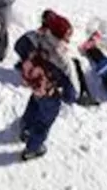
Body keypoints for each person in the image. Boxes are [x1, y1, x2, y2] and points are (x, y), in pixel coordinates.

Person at [14, 11, 78, 160]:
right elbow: (72, 94)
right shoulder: (63, 61)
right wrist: (65, 94)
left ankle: (25, 128)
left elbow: (19, 45)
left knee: (34, 103)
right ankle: (33, 149)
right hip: (50, 94)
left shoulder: (37, 38)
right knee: (44, 121)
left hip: (35, 84)